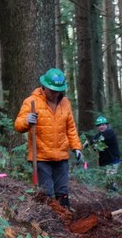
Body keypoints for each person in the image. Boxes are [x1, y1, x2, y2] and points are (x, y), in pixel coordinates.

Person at [14, 68, 83, 208]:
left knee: (62, 192)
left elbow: (70, 128)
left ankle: (65, 220)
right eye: (52, 90)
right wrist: (27, 120)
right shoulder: (31, 101)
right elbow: (18, 125)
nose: (54, 94)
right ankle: (48, 223)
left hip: (61, 156)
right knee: (46, 192)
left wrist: (76, 147)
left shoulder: (66, 103)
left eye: (57, 91)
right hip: (41, 156)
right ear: (44, 86)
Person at [93, 115, 121, 191]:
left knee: (110, 180)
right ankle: (109, 197)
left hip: (112, 161)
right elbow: (94, 147)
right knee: (105, 182)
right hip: (103, 163)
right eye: (99, 125)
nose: (101, 127)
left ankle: (114, 196)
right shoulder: (97, 135)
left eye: (103, 125)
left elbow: (102, 140)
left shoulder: (110, 133)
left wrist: (94, 142)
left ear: (106, 125)